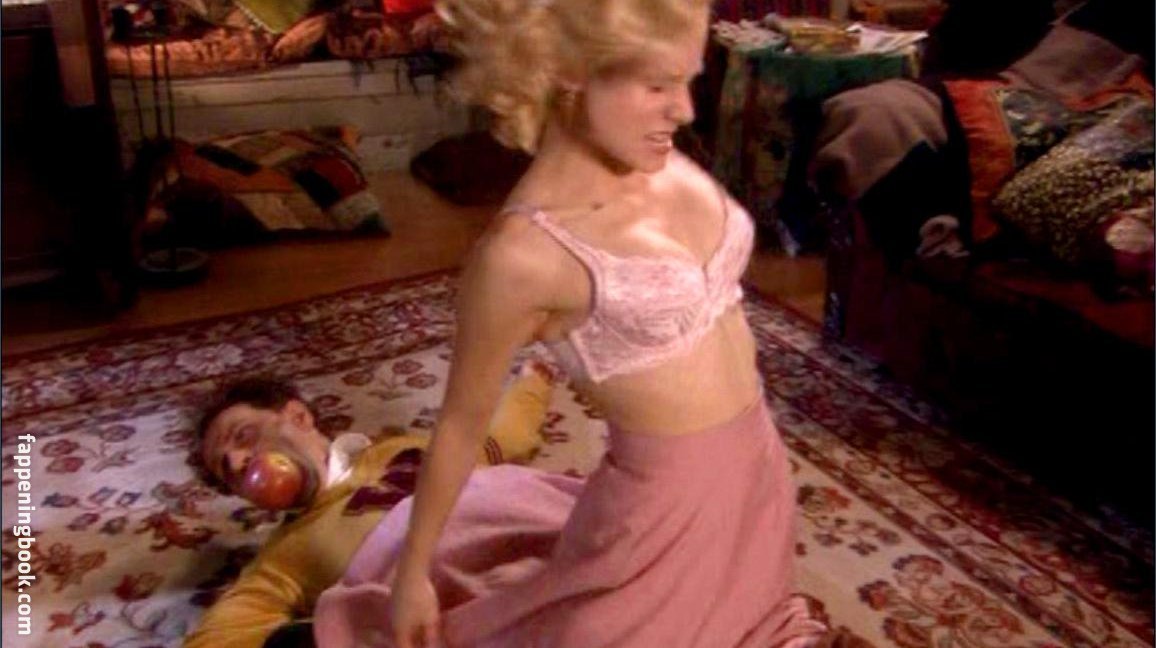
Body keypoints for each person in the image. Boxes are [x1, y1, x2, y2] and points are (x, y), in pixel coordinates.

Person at [313, 0, 830, 646]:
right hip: (661, 519)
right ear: (570, 69)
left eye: (687, 80)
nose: (684, 110)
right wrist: (414, 573)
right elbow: (461, 423)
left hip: (758, 474)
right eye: (658, 85)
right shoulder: (521, 257)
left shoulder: (658, 157)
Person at [184, 366, 555, 648]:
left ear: (298, 416)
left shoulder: (406, 446)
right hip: (460, 607)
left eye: (243, 436)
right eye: (226, 470)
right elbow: (218, 635)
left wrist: (534, 380)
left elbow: (500, 438)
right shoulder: (284, 554)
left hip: (533, 534)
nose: (238, 462)